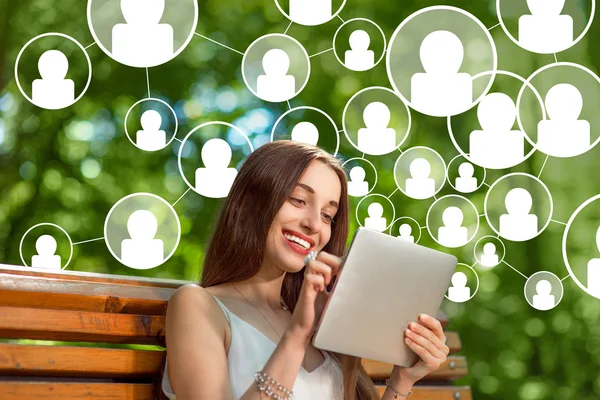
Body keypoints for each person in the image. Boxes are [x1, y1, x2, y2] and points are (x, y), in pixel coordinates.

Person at [162, 140, 449, 399]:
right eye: (298, 200)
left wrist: (401, 381)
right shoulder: (198, 305)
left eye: (328, 215)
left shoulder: (324, 323)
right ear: (248, 203)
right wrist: (297, 334)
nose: (313, 224)